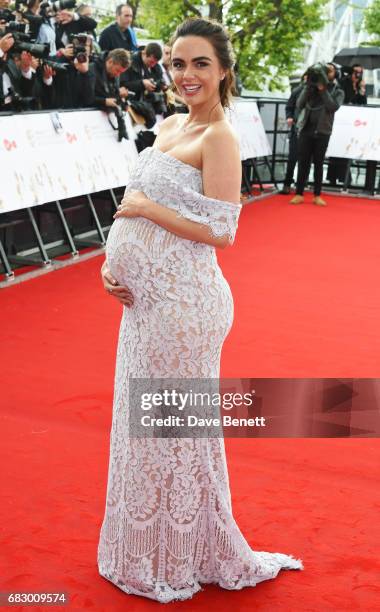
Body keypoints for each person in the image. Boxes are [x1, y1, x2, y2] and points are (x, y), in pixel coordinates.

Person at [97, 17, 304, 604]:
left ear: (224, 72)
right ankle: (149, 545)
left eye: (200, 65)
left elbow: (222, 228)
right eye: (179, 64)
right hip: (143, 305)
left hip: (185, 306)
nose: (187, 75)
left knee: (167, 428)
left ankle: (181, 550)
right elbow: (136, 215)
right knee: (147, 428)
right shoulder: (166, 124)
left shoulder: (219, 137)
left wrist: (143, 209)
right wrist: (111, 269)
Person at [290, 62, 344, 206]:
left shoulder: (338, 90)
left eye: (330, 71)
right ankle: (299, 193)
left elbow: (333, 106)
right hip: (306, 130)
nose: (326, 73)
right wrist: (309, 87)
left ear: (335, 74)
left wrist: (323, 90)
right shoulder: (310, 87)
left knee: (318, 163)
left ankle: (317, 195)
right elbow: (299, 104)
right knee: (303, 163)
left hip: (323, 131)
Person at [327, 63, 367, 187]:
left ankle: (344, 177)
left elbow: (363, 104)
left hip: (354, 122)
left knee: (348, 147)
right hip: (341, 120)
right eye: (355, 72)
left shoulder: (360, 85)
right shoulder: (343, 82)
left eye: (360, 73)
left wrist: (361, 90)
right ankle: (335, 177)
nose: (358, 75)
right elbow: (343, 99)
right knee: (338, 146)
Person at [280, 73, 307, 194]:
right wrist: (289, 117)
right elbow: (289, 106)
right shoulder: (297, 90)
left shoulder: (319, 92)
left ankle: (302, 183)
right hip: (296, 127)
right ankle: (287, 183)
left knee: (306, 159)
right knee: (292, 157)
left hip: (310, 129)